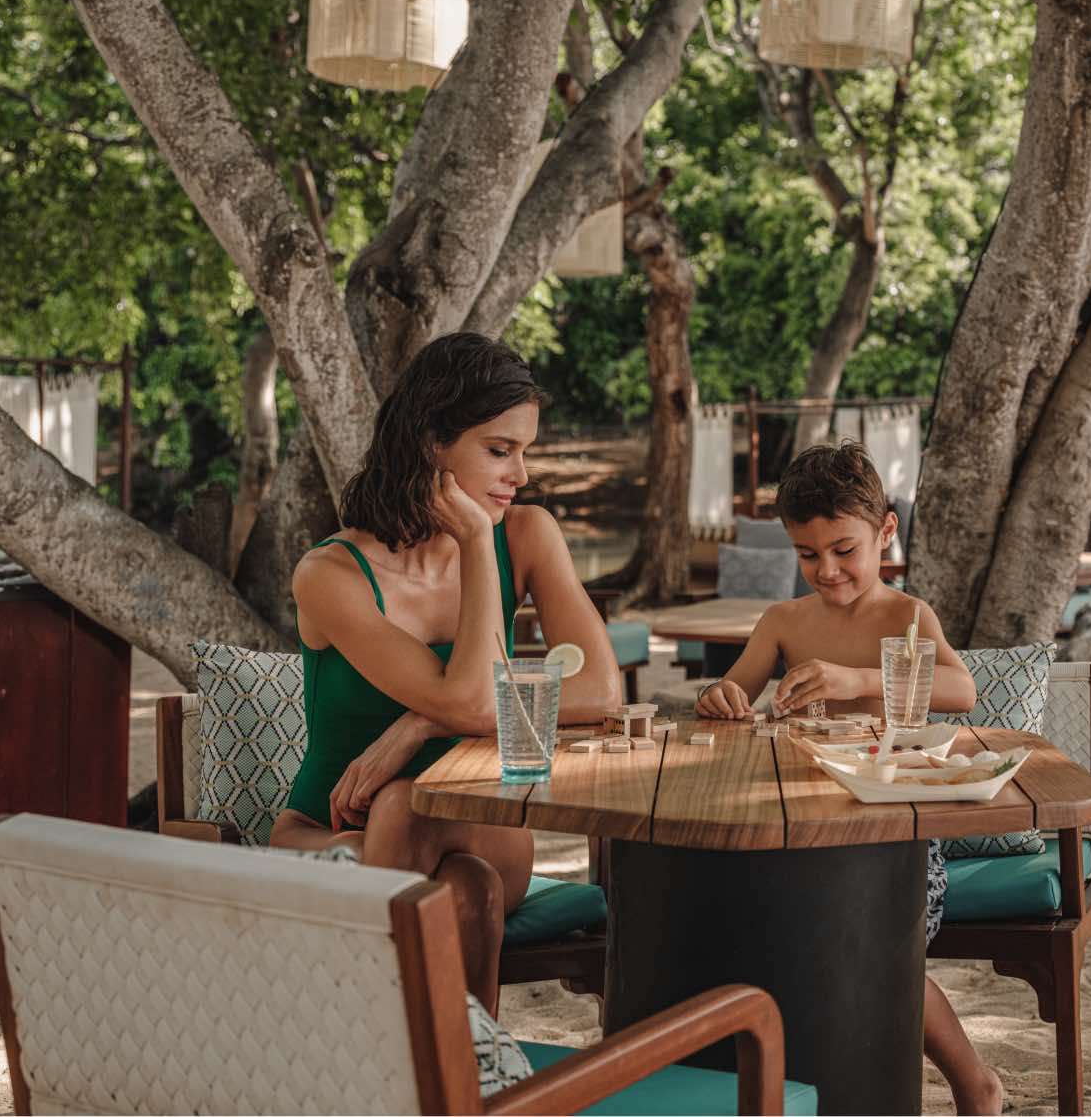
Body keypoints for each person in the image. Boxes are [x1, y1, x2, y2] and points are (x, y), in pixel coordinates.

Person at [270, 333, 622, 1009]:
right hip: (327, 833)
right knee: (464, 888)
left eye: (525, 452)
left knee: (411, 798)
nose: (520, 476)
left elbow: (602, 691)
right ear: (433, 440)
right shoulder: (331, 574)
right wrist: (470, 543)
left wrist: (417, 723)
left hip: (480, 822)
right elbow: (472, 703)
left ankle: (361, 1052)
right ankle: (461, 1088)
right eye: (499, 451)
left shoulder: (524, 534)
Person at [697, 442, 1000, 1115]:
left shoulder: (907, 617)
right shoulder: (782, 622)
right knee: (751, 918)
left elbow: (962, 689)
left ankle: (974, 1083)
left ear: (885, 532)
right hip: (801, 831)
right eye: (808, 555)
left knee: (869, 936)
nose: (827, 571)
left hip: (895, 843)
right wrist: (722, 698)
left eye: (844, 550)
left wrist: (856, 680)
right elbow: (730, 696)